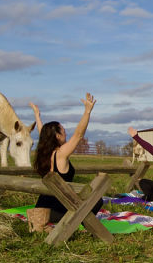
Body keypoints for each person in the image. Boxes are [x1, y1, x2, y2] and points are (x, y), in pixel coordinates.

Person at [29, 94, 102, 223]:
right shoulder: (60, 153)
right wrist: (87, 111)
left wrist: (37, 116)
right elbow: (78, 135)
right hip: (56, 212)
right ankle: (85, 224)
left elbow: (43, 134)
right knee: (97, 200)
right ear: (57, 136)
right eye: (63, 130)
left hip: (40, 209)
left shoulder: (45, 153)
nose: (66, 133)